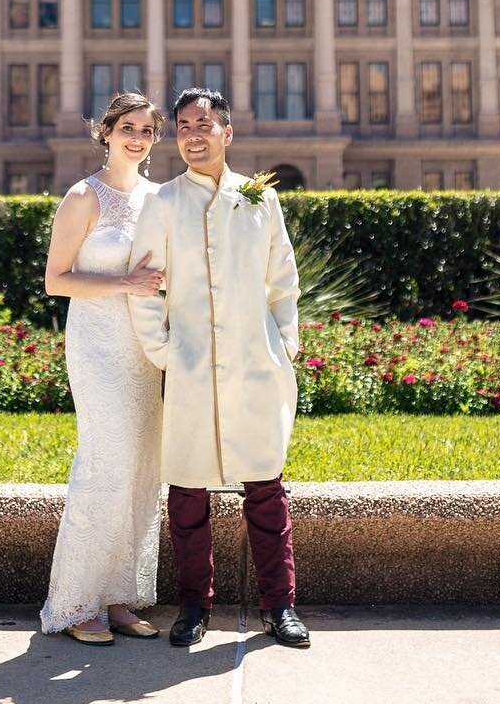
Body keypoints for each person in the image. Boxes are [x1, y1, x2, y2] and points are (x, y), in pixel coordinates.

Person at [127, 87, 310, 650]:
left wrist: (284, 345)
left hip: (256, 363)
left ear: (227, 132)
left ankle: (279, 607)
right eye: (183, 125)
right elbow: (144, 285)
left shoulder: (261, 199)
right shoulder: (162, 202)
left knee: (265, 487)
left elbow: (283, 281)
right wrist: (164, 351)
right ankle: (193, 607)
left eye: (203, 123)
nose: (193, 133)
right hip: (189, 366)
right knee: (186, 492)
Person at [39, 90, 167, 645]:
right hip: (96, 344)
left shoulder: (160, 197)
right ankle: (77, 602)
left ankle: (118, 596)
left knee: (142, 467)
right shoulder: (82, 197)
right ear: (107, 132)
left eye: (146, 131)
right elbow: (55, 280)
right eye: (128, 128)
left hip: (145, 347)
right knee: (104, 462)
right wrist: (124, 283)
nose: (137, 138)